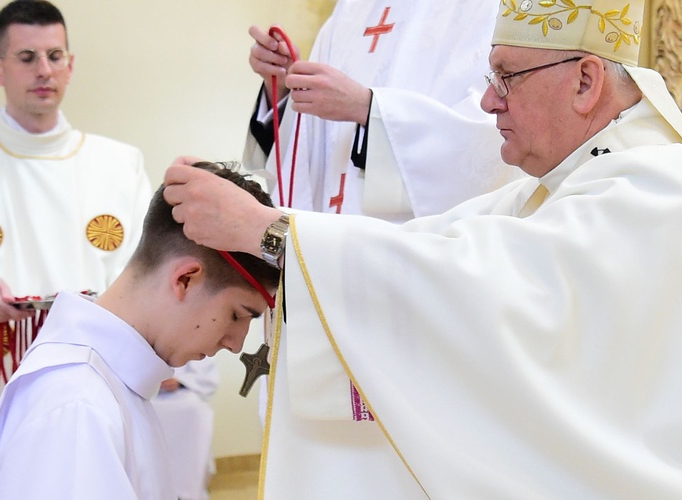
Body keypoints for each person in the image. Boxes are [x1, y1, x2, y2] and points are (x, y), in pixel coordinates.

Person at [164, 0, 682, 496]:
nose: (487, 100)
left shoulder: (651, 188)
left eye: (505, 77)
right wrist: (267, 216)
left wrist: (266, 229)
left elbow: (480, 282)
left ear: (586, 82)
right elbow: (433, 244)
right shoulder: (554, 185)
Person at [0, 2, 151, 498]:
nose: (44, 71)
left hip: (93, 397)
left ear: (71, 64)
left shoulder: (120, 165)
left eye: (55, 55)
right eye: (27, 56)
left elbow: (149, 275)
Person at [0, 163, 281, 499]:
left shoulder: (108, 384)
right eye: (237, 315)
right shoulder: (77, 404)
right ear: (185, 279)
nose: (236, 343)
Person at [244, 0, 521, 222]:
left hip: (409, 251)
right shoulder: (351, 9)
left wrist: (368, 108)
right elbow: (313, 151)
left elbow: (490, 138)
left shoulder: (491, 8)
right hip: (325, 246)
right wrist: (285, 88)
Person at [152, 358, 219, 500]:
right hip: (151, 397)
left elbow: (207, 377)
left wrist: (179, 381)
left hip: (183, 394)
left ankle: (189, 491)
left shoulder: (197, 337)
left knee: (195, 409)